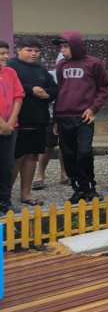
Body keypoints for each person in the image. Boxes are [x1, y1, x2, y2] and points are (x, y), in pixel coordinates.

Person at [53, 31, 108, 204]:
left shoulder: (94, 63)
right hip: (64, 116)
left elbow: (104, 88)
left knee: (84, 152)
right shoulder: (61, 65)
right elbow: (60, 91)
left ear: (76, 45)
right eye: (61, 47)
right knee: (69, 154)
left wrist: (93, 109)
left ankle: (89, 187)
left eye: (65, 46)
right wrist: (56, 118)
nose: (62, 51)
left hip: (84, 118)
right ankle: (79, 188)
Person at [9, 35, 57, 205]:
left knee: (31, 157)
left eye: (37, 51)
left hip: (39, 120)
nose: (33, 54)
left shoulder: (41, 69)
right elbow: (11, 87)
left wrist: (47, 93)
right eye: (29, 50)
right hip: (17, 121)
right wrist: (31, 90)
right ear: (18, 50)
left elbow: (54, 87)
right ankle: (5, 196)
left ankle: (25, 193)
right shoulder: (11, 66)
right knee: (16, 158)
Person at [36, 52, 68, 188]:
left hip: (67, 115)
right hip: (49, 115)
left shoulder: (74, 75)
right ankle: (40, 176)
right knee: (47, 146)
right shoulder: (49, 75)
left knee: (66, 146)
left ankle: (64, 174)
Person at [0, 41, 24, 214]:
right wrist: (2, 124)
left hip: (10, 128)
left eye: (6, 53)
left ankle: (5, 201)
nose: (6, 57)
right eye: (2, 53)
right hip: (3, 126)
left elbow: (18, 96)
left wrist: (10, 123)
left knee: (7, 166)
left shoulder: (10, 72)